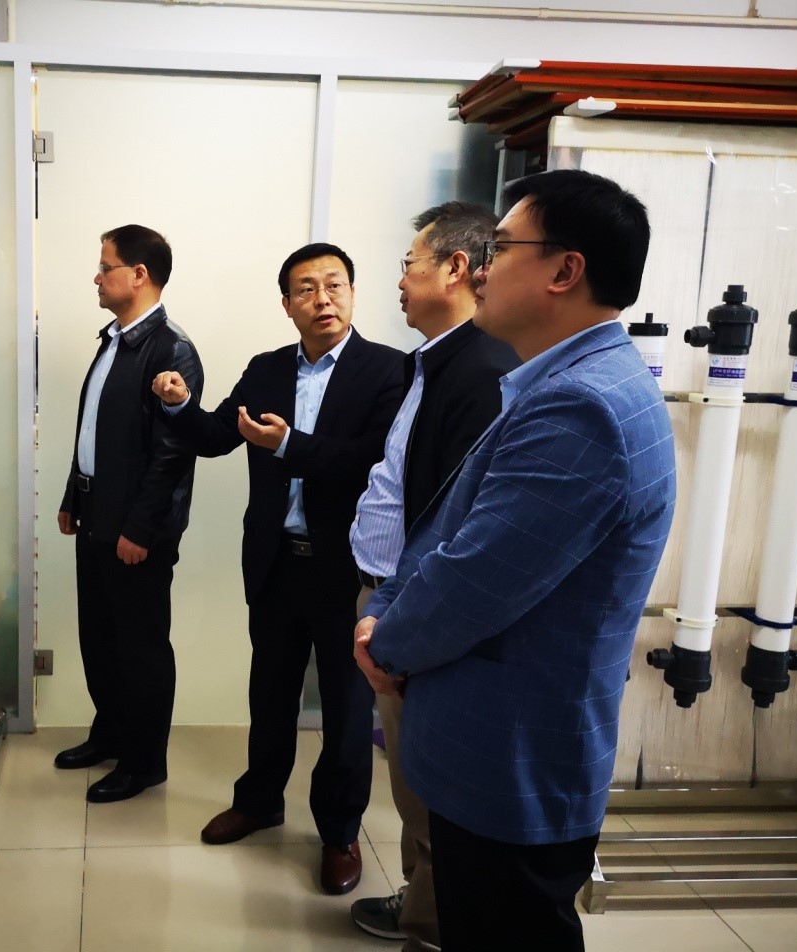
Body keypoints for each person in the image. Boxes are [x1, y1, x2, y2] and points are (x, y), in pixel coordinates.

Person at [355, 169, 676, 951]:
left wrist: (385, 640)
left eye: (499, 249)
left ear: (564, 270)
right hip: (496, 747)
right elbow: (451, 526)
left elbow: (474, 578)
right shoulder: (561, 380)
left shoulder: (583, 406)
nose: (481, 268)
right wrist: (387, 606)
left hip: (511, 760)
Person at [152, 243, 404, 895]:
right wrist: (180, 405)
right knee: (269, 693)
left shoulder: (388, 370)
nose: (322, 299)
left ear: (352, 294)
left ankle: (340, 832)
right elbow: (218, 435)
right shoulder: (266, 369)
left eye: (334, 285)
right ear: (287, 304)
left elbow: (372, 459)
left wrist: (289, 445)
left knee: (347, 708)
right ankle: (259, 801)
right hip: (275, 561)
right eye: (306, 289)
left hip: (348, 570)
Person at [347, 202, 519, 948]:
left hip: (412, 606)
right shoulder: (435, 359)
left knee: (426, 783)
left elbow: (457, 524)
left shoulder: (481, 370)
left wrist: (401, 621)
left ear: (455, 268)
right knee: (410, 774)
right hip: (390, 595)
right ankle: (424, 902)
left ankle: (433, 922)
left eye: (408, 265)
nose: (399, 281)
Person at [54, 224, 204, 804]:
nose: (97, 277)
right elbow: (94, 430)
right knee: (99, 636)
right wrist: (73, 496)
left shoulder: (171, 350)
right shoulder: (114, 340)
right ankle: (110, 734)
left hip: (136, 528)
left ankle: (144, 763)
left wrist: (139, 529)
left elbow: (172, 454)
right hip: (97, 512)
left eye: (105, 266)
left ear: (139, 275)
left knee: (140, 647)